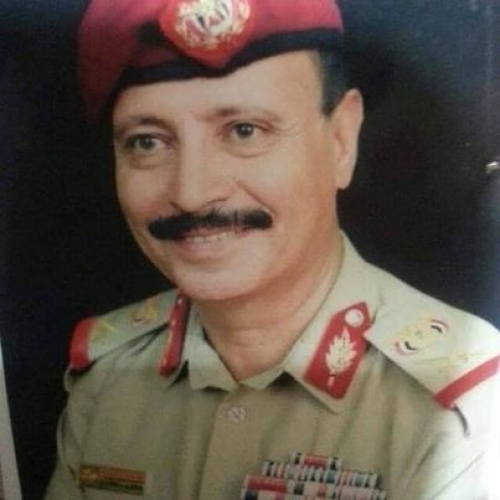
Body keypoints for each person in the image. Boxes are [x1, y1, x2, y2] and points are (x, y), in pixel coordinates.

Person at [45, 0, 500, 499]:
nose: (191, 193)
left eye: (245, 131)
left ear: (341, 141)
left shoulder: (466, 409)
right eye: (148, 142)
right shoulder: (107, 378)